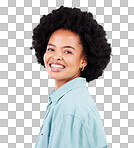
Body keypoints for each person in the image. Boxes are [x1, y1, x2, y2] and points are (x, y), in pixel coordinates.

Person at [30, 6, 111, 148]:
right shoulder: (66, 100)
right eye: (51, 49)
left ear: (83, 61)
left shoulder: (69, 109)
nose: (56, 56)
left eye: (67, 51)